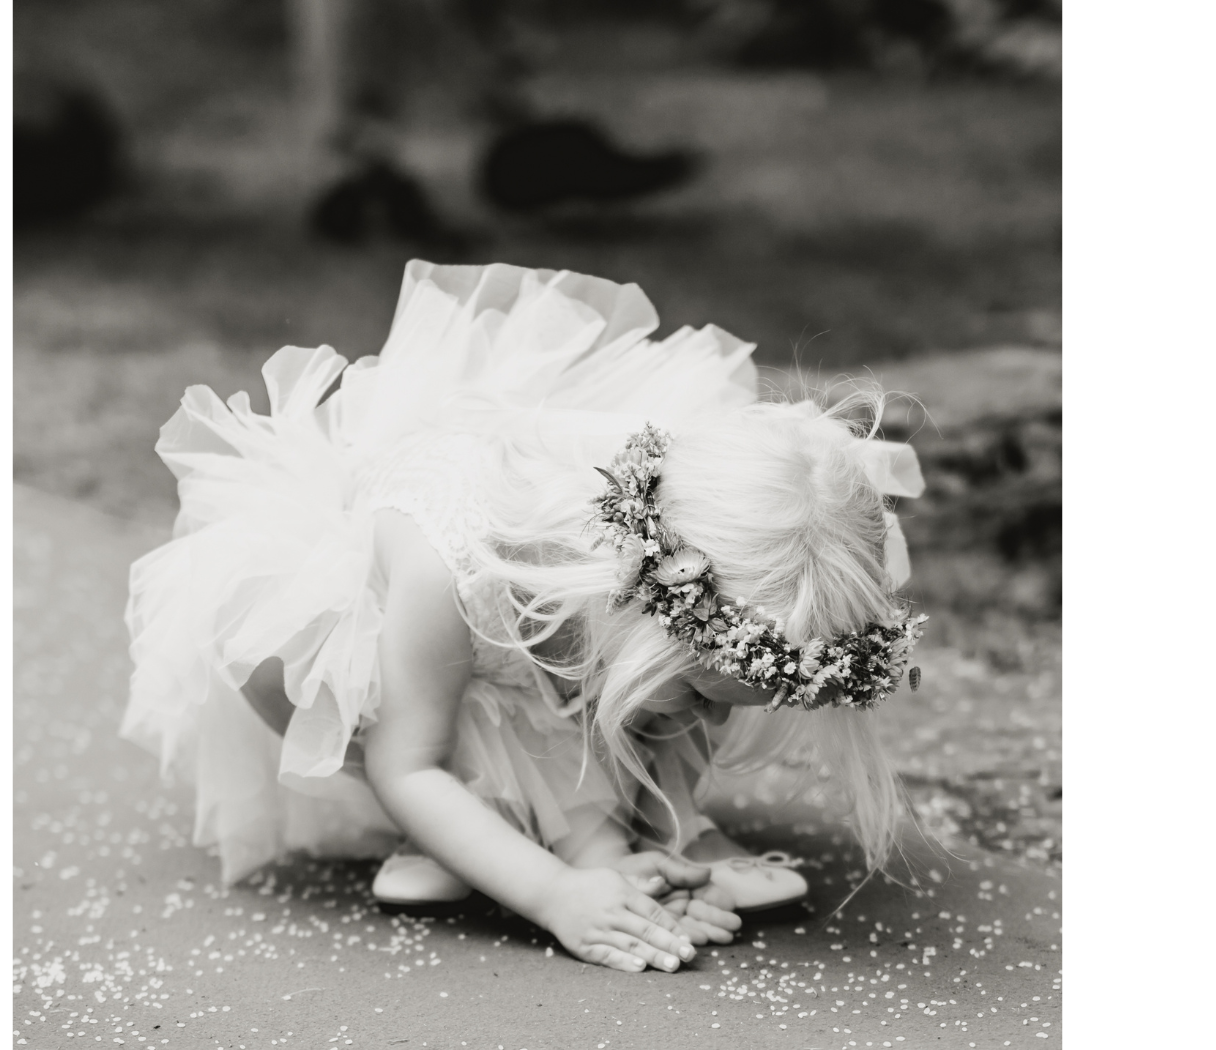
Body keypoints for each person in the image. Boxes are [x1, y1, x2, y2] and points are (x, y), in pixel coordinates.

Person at [122, 261, 927, 973]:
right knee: (345, 673)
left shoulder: (681, 575)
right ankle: (484, 833)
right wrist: (554, 897)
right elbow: (411, 763)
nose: (704, 718)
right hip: (395, 634)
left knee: (649, 686)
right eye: (700, 698)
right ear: (632, 601)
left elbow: (682, 670)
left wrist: (651, 839)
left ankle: (642, 830)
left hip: (597, 618)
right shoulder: (447, 570)